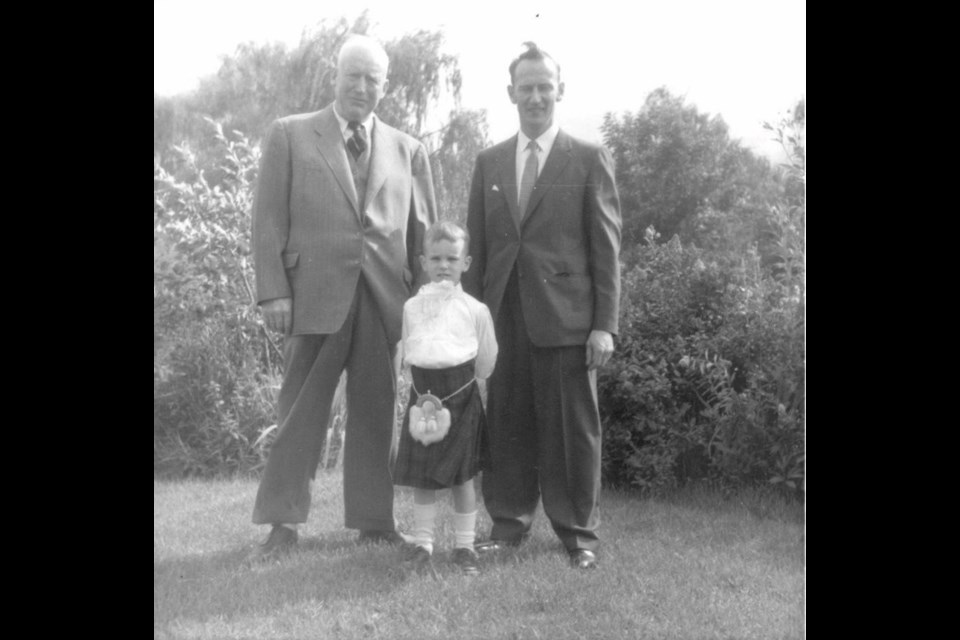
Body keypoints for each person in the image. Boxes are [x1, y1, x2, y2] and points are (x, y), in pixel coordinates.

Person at [249, 34, 438, 561]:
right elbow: (267, 220)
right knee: (300, 412)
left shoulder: (409, 150)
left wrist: (424, 307)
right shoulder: (290, 135)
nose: (360, 87)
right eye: (351, 75)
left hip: (384, 301)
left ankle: (375, 521)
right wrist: (273, 293)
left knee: (378, 411)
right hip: (311, 297)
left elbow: (423, 236)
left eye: (371, 79)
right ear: (335, 76)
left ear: (384, 86)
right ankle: (283, 524)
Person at [462, 42, 622, 570]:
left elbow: (606, 249)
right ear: (511, 93)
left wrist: (604, 326)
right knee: (506, 423)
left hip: (567, 319)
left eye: (544, 87)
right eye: (525, 88)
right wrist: (472, 323)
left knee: (572, 432)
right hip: (502, 316)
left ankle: (580, 535)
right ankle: (507, 525)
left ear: (560, 91)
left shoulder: (588, 157)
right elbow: (478, 251)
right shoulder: (488, 161)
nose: (535, 97)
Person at [392, 221, 498, 576]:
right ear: (422, 261)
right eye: (435, 258)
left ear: (466, 263)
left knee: (462, 478)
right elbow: (408, 351)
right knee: (423, 477)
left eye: (452, 258)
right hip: (424, 397)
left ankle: (465, 547)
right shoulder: (411, 308)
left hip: (461, 396)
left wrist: (466, 383)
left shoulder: (475, 310)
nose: (443, 265)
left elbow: (485, 362)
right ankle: (423, 543)